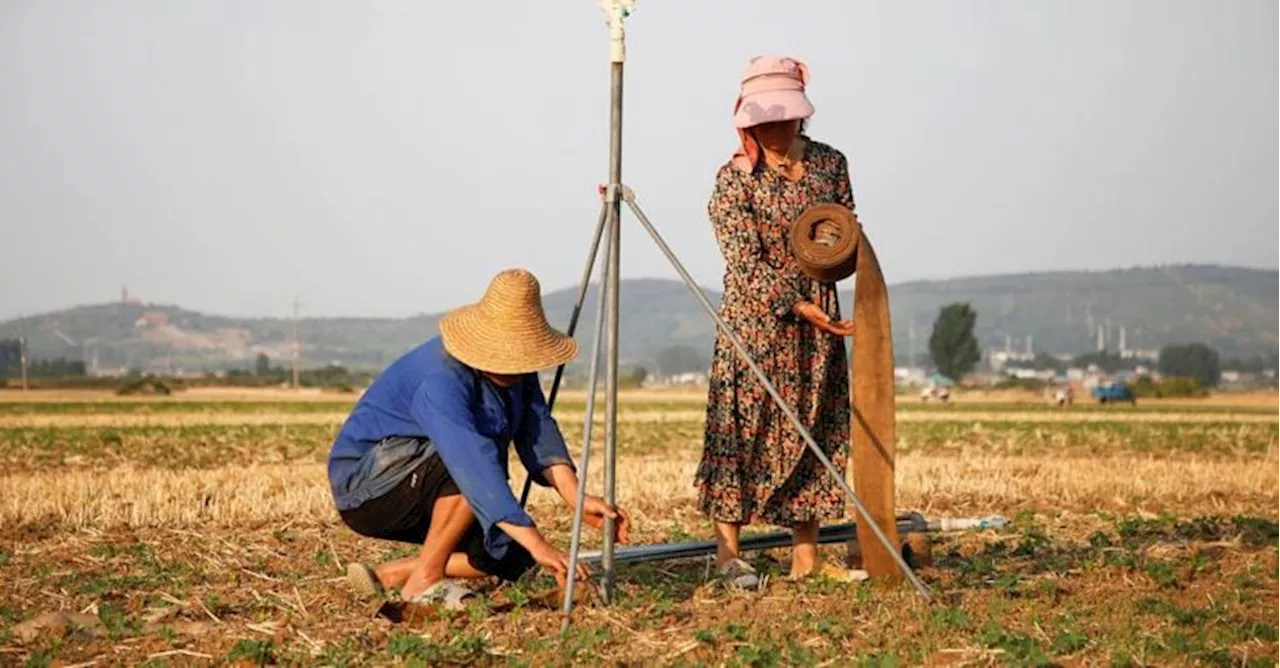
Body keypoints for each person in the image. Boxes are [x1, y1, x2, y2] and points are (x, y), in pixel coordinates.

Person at [327, 268, 631, 608]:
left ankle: (392, 575)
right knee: (469, 476)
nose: (511, 367)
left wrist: (575, 498)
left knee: (508, 556)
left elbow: (537, 428)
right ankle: (425, 582)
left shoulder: (519, 368)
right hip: (372, 487)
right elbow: (471, 464)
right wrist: (539, 541)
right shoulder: (440, 379)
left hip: (442, 475)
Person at [697, 55, 857, 589]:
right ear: (746, 122)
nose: (773, 129)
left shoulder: (830, 165)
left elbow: (845, 231)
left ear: (800, 117)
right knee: (738, 432)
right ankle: (728, 554)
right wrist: (797, 302)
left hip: (817, 325)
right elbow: (743, 262)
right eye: (762, 121)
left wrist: (833, 269)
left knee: (814, 428)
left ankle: (805, 555)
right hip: (755, 322)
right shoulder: (732, 181)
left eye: (783, 118)